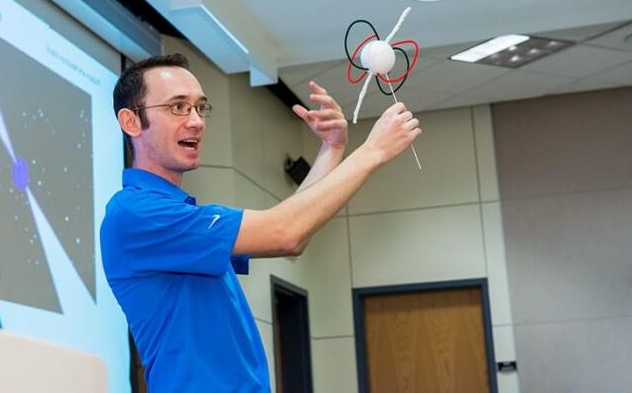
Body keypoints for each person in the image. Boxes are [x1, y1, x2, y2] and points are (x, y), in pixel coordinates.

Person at [100, 53, 421, 393]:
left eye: (200, 107)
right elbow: (286, 233)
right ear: (131, 121)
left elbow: (292, 227)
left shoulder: (182, 214)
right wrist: (373, 152)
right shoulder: (136, 214)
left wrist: (332, 148)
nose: (196, 121)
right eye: (177, 107)